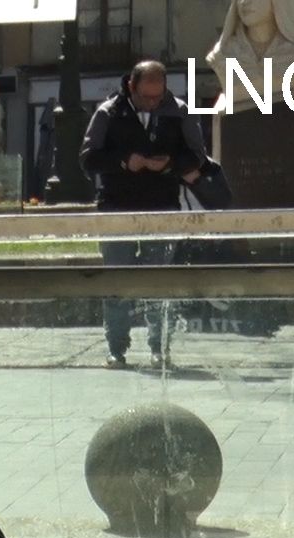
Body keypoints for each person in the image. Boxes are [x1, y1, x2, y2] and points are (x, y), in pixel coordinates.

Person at [80, 60, 206, 368]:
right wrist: (125, 161)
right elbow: (87, 158)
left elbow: (197, 156)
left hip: (162, 206)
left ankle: (159, 349)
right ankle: (116, 348)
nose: (153, 102)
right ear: (131, 87)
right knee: (117, 281)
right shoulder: (108, 113)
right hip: (116, 207)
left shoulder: (178, 111)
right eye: (146, 97)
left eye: (158, 96)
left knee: (158, 282)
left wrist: (170, 164)